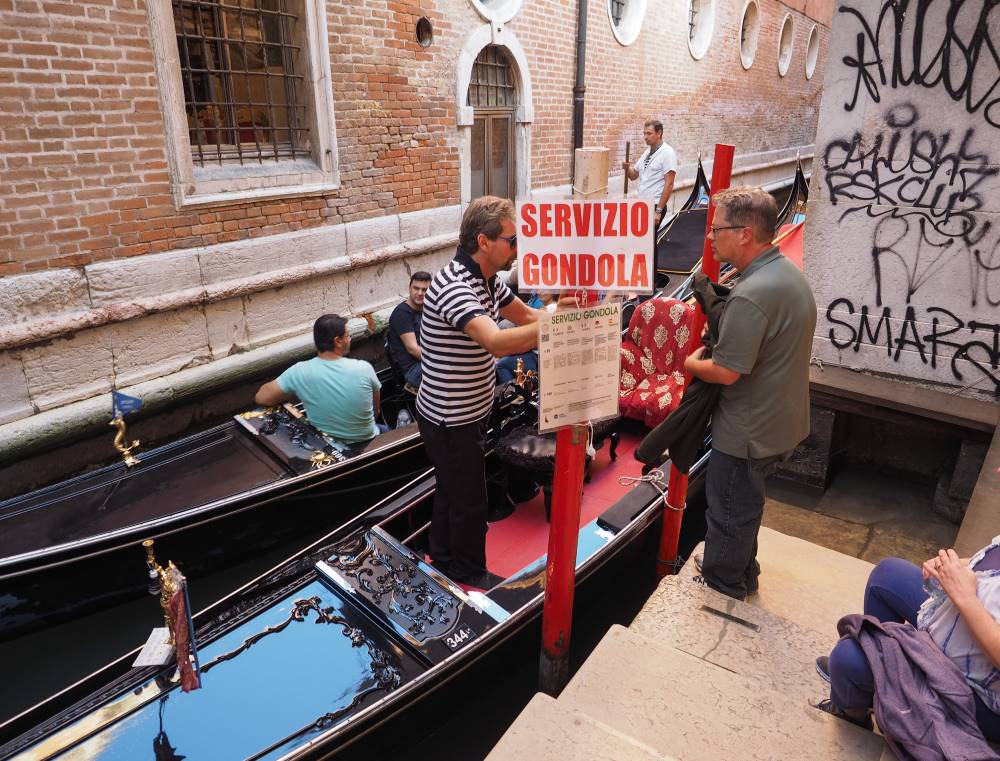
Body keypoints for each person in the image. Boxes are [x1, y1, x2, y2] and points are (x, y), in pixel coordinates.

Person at [683, 187, 816, 600]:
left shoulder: (751, 294)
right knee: (747, 506)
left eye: (716, 229)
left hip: (748, 431)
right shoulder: (788, 275)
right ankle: (746, 570)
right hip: (783, 421)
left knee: (728, 511)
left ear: (744, 234)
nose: (710, 238)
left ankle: (723, 586)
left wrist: (689, 363)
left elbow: (725, 372)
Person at [416, 195, 542, 589]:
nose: (516, 248)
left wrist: (566, 314)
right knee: (470, 498)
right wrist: (560, 328)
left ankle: (441, 552)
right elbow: (498, 343)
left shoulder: (488, 281)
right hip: (448, 417)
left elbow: (526, 316)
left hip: (466, 412)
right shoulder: (455, 286)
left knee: (452, 488)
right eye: (512, 240)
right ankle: (466, 570)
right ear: (484, 243)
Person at [814, 533, 1000, 745]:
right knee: (887, 574)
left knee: (847, 659)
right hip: (955, 629)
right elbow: (989, 558)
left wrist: (964, 596)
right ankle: (878, 691)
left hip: (975, 692)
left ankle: (855, 709)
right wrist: (952, 568)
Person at [255, 313, 386, 443]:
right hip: (367, 440)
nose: (350, 339)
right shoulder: (364, 368)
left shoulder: (300, 371)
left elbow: (262, 397)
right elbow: (376, 411)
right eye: (348, 335)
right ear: (338, 341)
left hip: (327, 444)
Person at [622, 119, 678, 230]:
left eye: (649, 133)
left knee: (650, 243)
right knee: (644, 243)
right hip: (643, 205)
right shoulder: (647, 152)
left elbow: (670, 183)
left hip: (655, 205)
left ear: (659, 133)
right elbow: (633, 175)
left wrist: (658, 211)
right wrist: (627, 168)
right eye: (644, 133)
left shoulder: (667, 153)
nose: (645, 137)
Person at [387, 271, 431, 389]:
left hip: (428, 362)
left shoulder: (429, 309)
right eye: (416, 288)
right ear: (409, 288)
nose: (420, 293)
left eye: (425, 290)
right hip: (414, 370)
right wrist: (439, 362)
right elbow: (413, 349)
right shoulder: (402, 313)